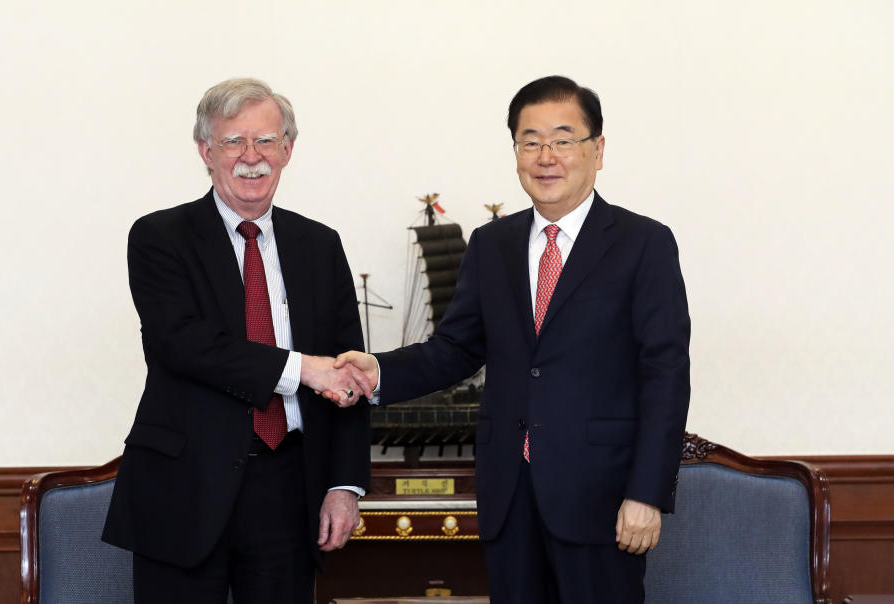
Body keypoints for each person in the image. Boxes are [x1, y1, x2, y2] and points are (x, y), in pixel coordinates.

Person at [334, 76, 691, 603]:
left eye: (563, 140)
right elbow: (456, 348)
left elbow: (665, 376)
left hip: (602, 500)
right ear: (516, 152)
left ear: (597, 150)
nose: (546, 156)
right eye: (530, 141)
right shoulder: (491, 244)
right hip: (509, 495)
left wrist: (647, 494)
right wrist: (379, 372)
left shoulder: (644, 244)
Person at [102, 77, 371, 604]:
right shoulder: (159, 237)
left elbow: (348, 370)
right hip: (184, 489)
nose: (252, 157)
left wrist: (344, 484)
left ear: (288, 149)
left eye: (267, 140)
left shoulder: (320, 245)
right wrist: (302, 369)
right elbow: (183, 344)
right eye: (233, 142)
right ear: (206, 150)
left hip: (290, 489)